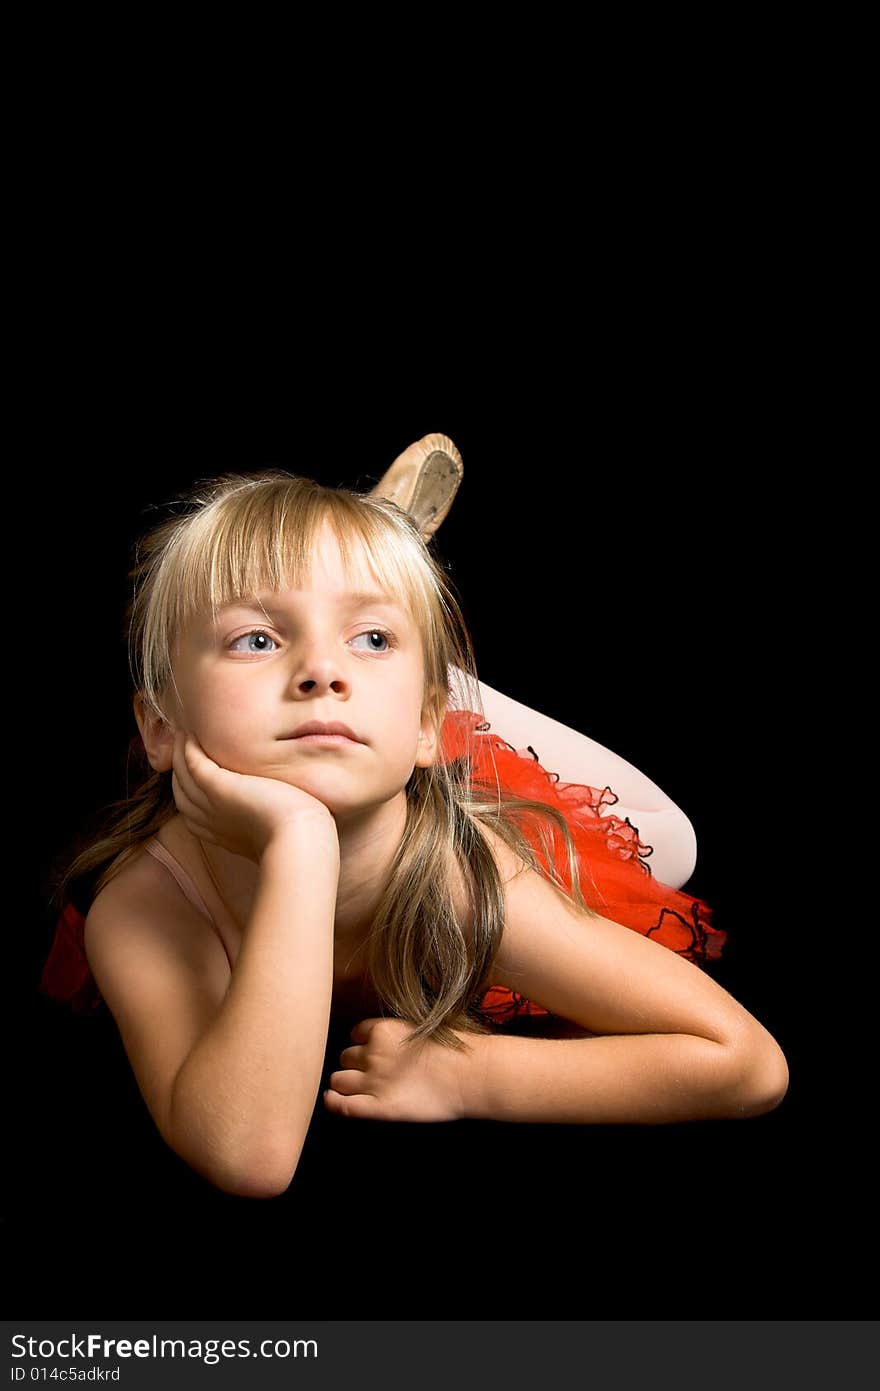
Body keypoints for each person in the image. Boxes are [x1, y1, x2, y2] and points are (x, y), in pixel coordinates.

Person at [39, 445, 789, 1200]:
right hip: (390, 733)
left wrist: (478, 1076)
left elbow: (749, 1063)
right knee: (371, 701)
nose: (320, 671)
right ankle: (392, 604)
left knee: (669, 845)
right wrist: (302, 845)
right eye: (257, 639)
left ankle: (441, 670)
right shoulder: (146, 901)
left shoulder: (459, 870)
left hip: (444, 759)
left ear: (432, 727)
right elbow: (249, 1156)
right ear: (160, 727)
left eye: (367, 640)